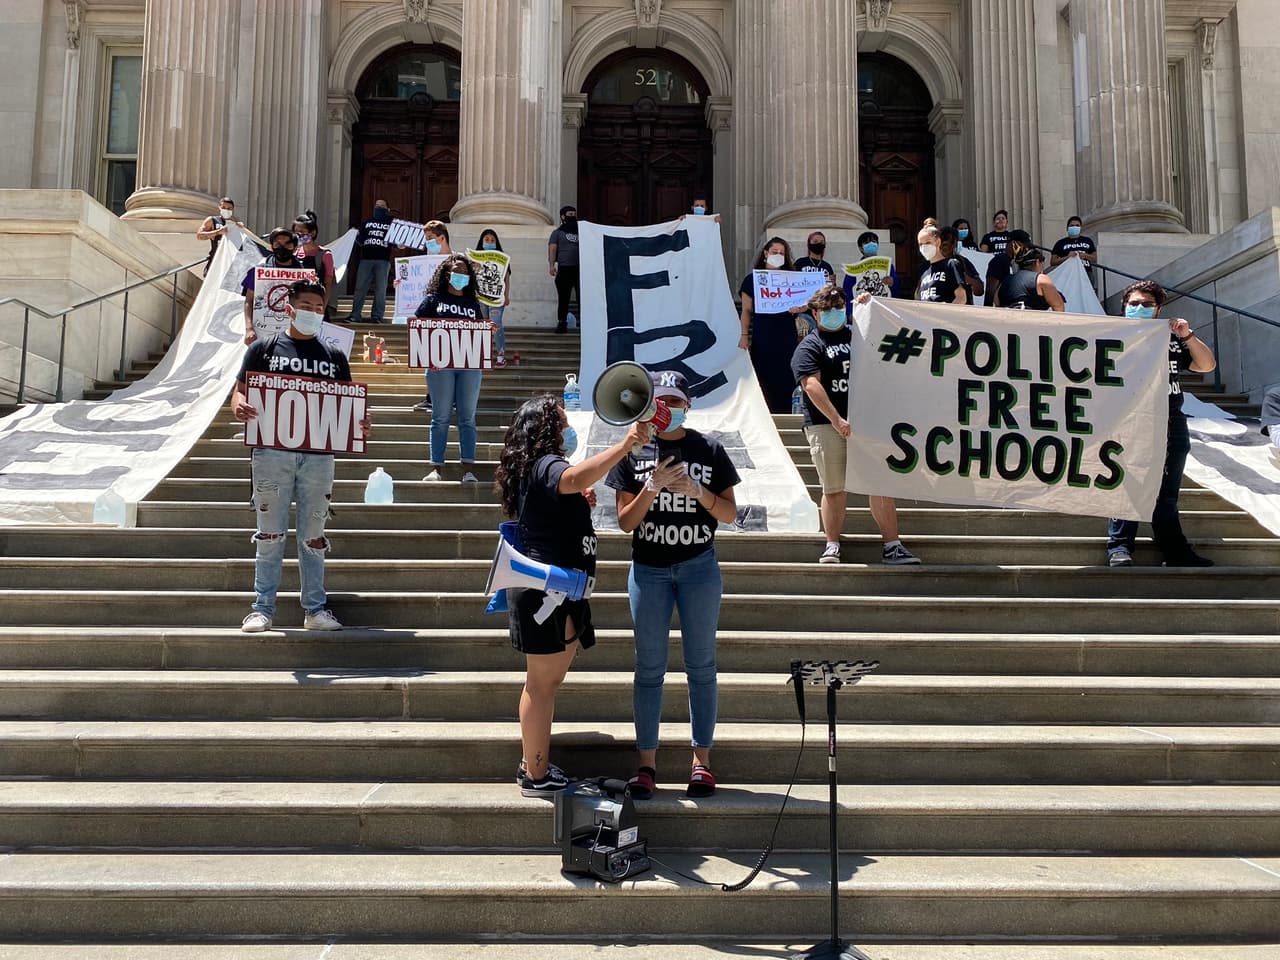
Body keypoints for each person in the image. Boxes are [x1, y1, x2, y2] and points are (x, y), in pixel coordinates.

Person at [495, 396, 649, 797]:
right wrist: (624, 444)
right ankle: (536, 775)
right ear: (547, 430)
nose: (568, 428)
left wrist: (576, 505)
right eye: (562, 422)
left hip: (559, 592)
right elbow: (576, 478)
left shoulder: (539, 467)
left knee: (546, 682)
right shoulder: (547, 462)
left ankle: (534, 761)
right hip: (547, 593)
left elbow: (570, 490)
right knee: (541, 685)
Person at [606, 371, 741, 800]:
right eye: (660, 401)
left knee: (702, 666)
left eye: (675, 401)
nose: (667, 409)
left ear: (688, 404)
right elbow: (626, 522)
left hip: (699, 567)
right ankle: (647, 765)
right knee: (649, 668)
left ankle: (701, 762)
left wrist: (697, 490)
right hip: (648, 569)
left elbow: (730, 514)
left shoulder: (709, 449)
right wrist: (652, 487)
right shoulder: (634, 449)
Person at [230, 279, 372, 633]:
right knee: (269, 534)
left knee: (314, 535)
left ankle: (315, 608)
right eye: (306, 305)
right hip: (271, 453)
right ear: (289, 307)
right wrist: (238, 405)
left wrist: (358, 422)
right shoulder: (263, 349)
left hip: (318, 456)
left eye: (319, 307)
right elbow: (240, 390)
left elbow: (345, 404)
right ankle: (262, 608)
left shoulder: (334, 356)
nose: (312, 312)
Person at [793, 285, 921, 566]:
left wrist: (869, 305)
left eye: (839, 306)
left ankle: (892, 545)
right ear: (815, 313)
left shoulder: (859, 334)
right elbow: (811, 385)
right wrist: (836, 419)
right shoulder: (810, 346)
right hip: (826, 424)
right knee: (834, 487)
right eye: (827, 308)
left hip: (867, 421)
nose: (834, 312)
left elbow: (890, 335)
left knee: (880, 482)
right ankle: (832, 543)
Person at [1106, 281, 1217, 568]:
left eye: (1146, 304)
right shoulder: (1110, 335)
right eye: (1134, 304)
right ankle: (1119, 547)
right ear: (1124, 306)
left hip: (1171, 419)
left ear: (1158, 309)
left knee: (1167, 491)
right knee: (1127, 484)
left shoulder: (1172, 338)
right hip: (1129, 420)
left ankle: (1174, 550)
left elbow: (1206, 366)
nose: (1139, 308)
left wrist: (1187, 335)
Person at [414, 254, 489, 483]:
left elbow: (478, 333)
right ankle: (436, 467)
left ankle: (468, 469)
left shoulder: (473, 304)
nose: (461, 275)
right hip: (440, 367)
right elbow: (418, 328)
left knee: (467, 418)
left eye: (465, 272)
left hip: (469, 366)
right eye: (457, 270)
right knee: (440, 417)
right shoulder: (432, 300)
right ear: (446, 273)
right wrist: (427, 356)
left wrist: (488, 332)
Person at [739, 237, 800, 413]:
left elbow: (807, 303)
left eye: (782, 253)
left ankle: (788, 411)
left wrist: (801, 308)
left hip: (787, 333)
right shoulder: (751, 280)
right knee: (764, 374)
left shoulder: (792, 279)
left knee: (787, 372)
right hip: (763, 334)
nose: (778, 256)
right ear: (765, 253)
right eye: (775, 252)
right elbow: (746, 311)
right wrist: (744, 336)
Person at [408, 222, 453, 412]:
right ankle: (431, 397)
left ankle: (452, 400)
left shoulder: (456, 261)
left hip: (450, 315)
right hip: (431, 316)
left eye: (429, 239)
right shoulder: (426, 262)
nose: (427, 243)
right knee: (431, 359)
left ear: (441, 238)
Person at [241, 227, 303, 345]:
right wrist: (248, 328)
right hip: (263, 335)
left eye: (287, 244)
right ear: (271, 246)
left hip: (295, 335)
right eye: (277, 244)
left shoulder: (304, 274)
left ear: (295, 248)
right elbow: (249, 301)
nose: (282, 248)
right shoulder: (259, 271)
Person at [347, 199, 393, 323]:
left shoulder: (391, 224)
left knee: (381, 289)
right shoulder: (366, 222)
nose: (378, 208)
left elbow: (396, 242)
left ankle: (377, 316)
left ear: (388, 209)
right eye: (377, 205)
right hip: (366, 259)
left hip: (383, 260)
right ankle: (355, 315)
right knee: (360, 288)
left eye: (382, 206)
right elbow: (360, 240)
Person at [476, 228, 512, 367]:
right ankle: (485, 354)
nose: (489, 242)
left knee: (496, 323)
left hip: (497, 297)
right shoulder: (476, 257)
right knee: (484, 324)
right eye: (487, 240)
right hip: (481, 297)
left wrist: (507, 295)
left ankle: (501, 354)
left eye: (492, 240)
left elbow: (507, 278)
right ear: (482, 241)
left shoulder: (502, 258)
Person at [996, 243, 1065, 311]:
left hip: (1007, 319)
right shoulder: (1041, 279)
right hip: (1031, 320)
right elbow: (1058, 305)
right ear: (1037, 262)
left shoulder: (1005, 280)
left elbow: (996, 302)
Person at [293, 210, 335, 319]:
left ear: (312, 233)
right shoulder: (294, 254)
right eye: (296, 231)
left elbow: (328, 284)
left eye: (302, 231)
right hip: (298, 308)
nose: (298, 235)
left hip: (316, 308)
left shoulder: (325, 255)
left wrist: (322, 309)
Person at [916, 223, 967, 305]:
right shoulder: (924, 272)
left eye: (928, 242)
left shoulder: (951, 264)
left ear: (938, 242)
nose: (924, 247)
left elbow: (961, 298)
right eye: (920, 244)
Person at [843, 230, 898, 307]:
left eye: (873, 241)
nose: (871, 244)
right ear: (860, 248)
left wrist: (892, 283)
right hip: (862, 308)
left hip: (883, 307)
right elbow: (848, 292)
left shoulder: (888, 267)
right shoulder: (854, 269)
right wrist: (850, 312)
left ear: (878, 245)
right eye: (866, 243)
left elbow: (896, 292)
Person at [548, 205, 579, 334]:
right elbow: (552, 248)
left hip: (580, 270)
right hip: (564, 269)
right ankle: (562, 323)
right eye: (569, 214)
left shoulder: (582, 231)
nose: (572, 216)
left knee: (582, 298)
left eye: (574, 214)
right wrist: (551, 265)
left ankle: (585, 323)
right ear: (562, 216)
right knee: (564, 298)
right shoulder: (557, 233)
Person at [983, 228, 1032, 307]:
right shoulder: (999, 260)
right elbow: (991, 289)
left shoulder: (1016, 262)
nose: (1025, 249)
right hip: (999, 310)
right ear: (1014, 243)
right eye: (1023, 246)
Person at [939, 225, 984, 303]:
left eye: (954, 243)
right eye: (943, 244)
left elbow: (979, 291)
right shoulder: (931, 265)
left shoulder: (962, 262)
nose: (943, 248)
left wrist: (961, 276)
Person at [196, 197, 239, 277]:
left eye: (229, 208)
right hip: (215, 262)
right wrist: (218, 232)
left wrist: (240, 228)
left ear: (233, 209)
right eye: (223, 208)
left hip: (230, 264)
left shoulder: (234, 224)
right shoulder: (212, 220)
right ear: (219, 207)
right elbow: (199, 235)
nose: (226, 210)